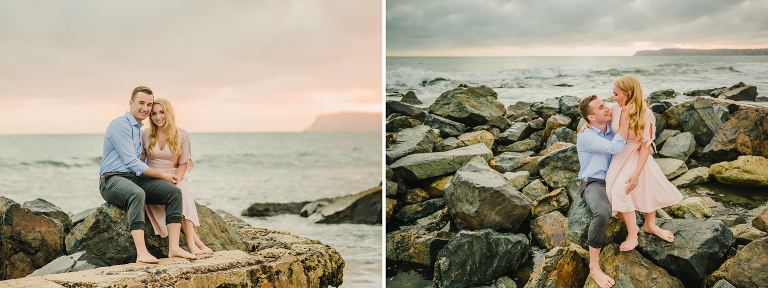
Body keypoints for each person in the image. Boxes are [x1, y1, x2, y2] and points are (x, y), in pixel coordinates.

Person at [99, 86, 197, 263]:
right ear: (131, 103)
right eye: (141, 103)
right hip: (111, 179)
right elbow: (132, 162)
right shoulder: (121, 125)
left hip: (134, 178)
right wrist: (162, 175)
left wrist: (167, 178)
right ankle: (141, 252)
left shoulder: (139, 129)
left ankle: (174, 248)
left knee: (174, 192)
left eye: (149, 104)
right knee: (137, 194)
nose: (145, 108)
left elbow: (142, 162)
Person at [605, 75, 684, 252]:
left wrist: (637, 173)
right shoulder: (614, 109)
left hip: (638, 155)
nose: (614, 98)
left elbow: (646, 146)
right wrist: (588, 125)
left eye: (616, 94)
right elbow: (600, 120)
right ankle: (637, 228)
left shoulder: (646, 115)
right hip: (619, 156)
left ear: (629, 93)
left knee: (646, 184)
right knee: (614, 192)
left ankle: (645, 228)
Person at [141, 98, 213, 255]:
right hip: (153, 178)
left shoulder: (182, 135)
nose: (157, 117)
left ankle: (191, 244)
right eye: (153, 114)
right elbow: (141, 163)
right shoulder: (145, 135)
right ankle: (197, 244)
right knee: (178, 195)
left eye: (161, 112)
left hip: (174, 176)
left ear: (169, 113)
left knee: (180, 191)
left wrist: (177, 179)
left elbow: (183, 163)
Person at [576, 94, 631, 288]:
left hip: (613, 179)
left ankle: (646, 228)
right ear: (591, 118)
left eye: (604, 104)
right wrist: (624, 122)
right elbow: (615, 147)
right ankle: (594, 267)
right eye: (601, 107)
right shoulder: (585, 135)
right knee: (603, 212)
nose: (607, 108)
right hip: (592, 182)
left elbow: (628, 104)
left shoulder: (610, 122)